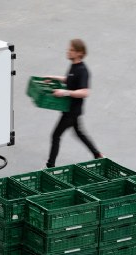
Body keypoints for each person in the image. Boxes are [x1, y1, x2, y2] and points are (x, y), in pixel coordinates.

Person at [45, 39, 103, 168]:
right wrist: (54, 78)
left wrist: (65, 93)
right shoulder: (74, 66)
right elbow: (69, 80)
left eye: (71, 50)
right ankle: (97, 154)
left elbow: (85, 92)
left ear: (79, 53)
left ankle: (50, 165)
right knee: (79, 133)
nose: (68, 51)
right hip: (70, 109)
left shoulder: (83, 70)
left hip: (72, 111)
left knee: (56, 135)